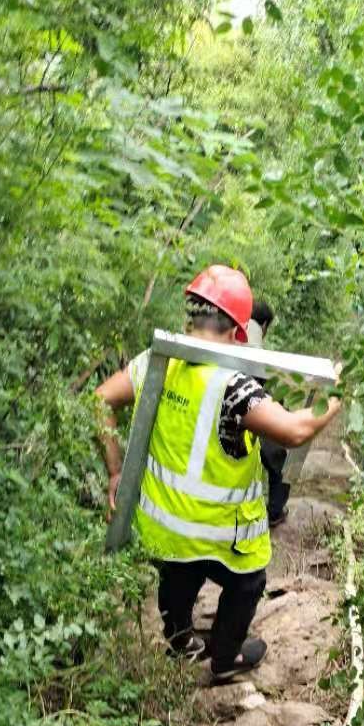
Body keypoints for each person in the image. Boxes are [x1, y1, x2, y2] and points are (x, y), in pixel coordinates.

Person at [95, 264, 340, 683]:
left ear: (191, 316)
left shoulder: (156, 363)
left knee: (175, 578)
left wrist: (115, 473)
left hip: (165, 529)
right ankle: (226, 659)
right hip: (222, 536)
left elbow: (100, 401)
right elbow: (295, 430)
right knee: (247, 585)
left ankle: (179, 641)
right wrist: (336, 395)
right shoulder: (235, 385)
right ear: (238, 331)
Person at [245, 299, 291, 528]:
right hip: (254, 412)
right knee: (279, 456)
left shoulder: (230, 335)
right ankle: (274, 512)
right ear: (263, 327)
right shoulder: (256, 351)